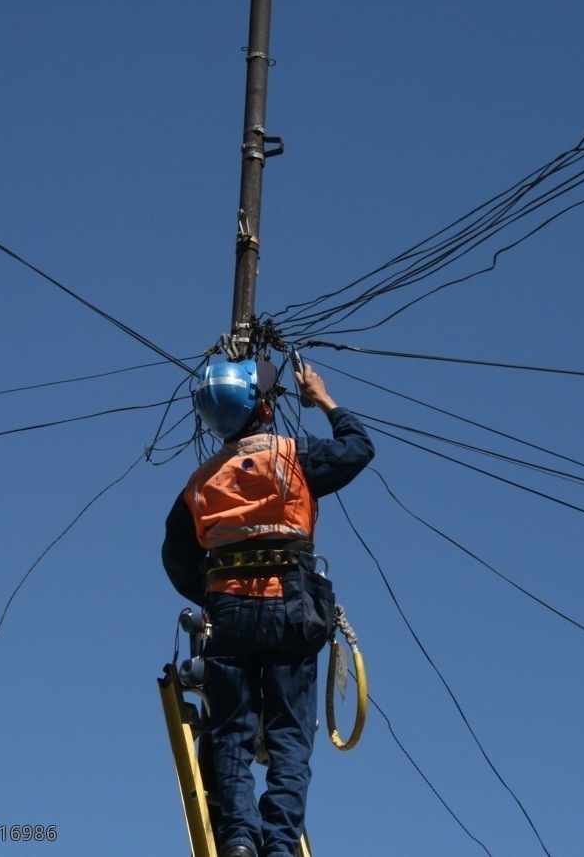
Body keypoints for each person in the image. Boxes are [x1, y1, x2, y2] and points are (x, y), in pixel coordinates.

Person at [162, 358, 374, 857]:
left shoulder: (200, 484)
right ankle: (279, 845)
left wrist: (215, 594)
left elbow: (176, 559)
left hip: (230, 614)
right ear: (260, 405)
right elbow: (358, 449)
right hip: (293, 608)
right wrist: (323, 399)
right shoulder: (292, 457)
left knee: (231, 731)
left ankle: (238, 838)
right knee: (289, 737)